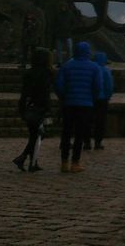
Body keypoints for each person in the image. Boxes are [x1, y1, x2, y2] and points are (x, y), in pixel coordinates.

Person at [54, 41, 102, 173]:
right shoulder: (94, 67)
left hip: (69, 104)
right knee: (79, 134)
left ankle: (64, 162)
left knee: (66, 133)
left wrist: (64, 97)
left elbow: (58, 85)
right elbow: (97, 86)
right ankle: (75, 163)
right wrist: (91, 99)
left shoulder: (66, 66)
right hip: (86, 105)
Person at [13, 48, 54, 172]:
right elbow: (45, 93)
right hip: (40, 107)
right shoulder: (47, 73)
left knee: (34, 135)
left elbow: (24, 93)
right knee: (38, 135)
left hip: (29, 106)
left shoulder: (29, 73)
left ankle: (32, 161)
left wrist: (21, 108)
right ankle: (24, 158)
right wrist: (48, 109)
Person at [89, 51, 114, 150]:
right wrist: (107, 97)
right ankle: (97, 143)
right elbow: (109, 86)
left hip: (89, 99)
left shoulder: (90, 69)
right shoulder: (105, 70)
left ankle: (86, 142)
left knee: (87, 121)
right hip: (102, 99)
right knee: (100, 122)